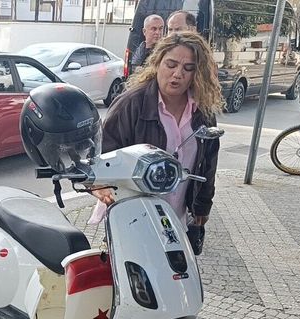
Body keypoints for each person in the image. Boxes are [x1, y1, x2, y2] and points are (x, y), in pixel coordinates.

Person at [92, 32, 223, 251]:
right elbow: (101, 158)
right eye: (170, 64)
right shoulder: (131, 104)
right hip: (132, 217)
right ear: (157, 62)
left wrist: (202, 206)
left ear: (197, 73)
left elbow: (208, 163)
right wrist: (102, 190)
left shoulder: (202, 111)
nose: (177, 74)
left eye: (188, 68)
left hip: (177, 216)